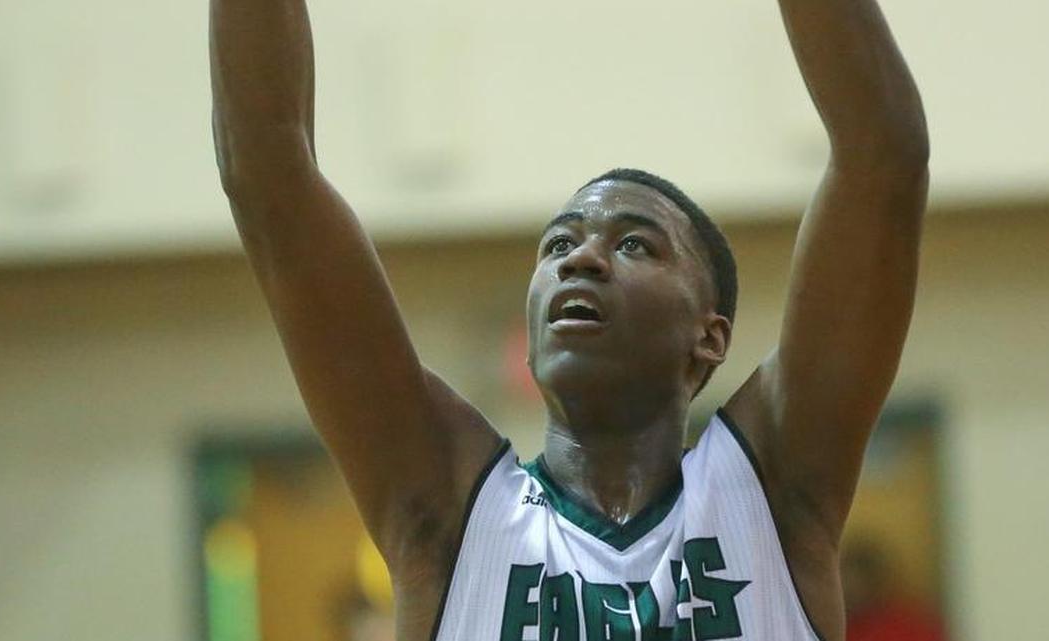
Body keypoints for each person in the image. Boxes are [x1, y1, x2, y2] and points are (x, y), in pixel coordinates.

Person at [209, 0, 928, 638]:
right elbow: (268, 171)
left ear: (708, 338)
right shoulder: (448, 505)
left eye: (633, 243)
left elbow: (883, 157)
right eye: (558, 244)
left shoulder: (772, 490)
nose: (579, 259)